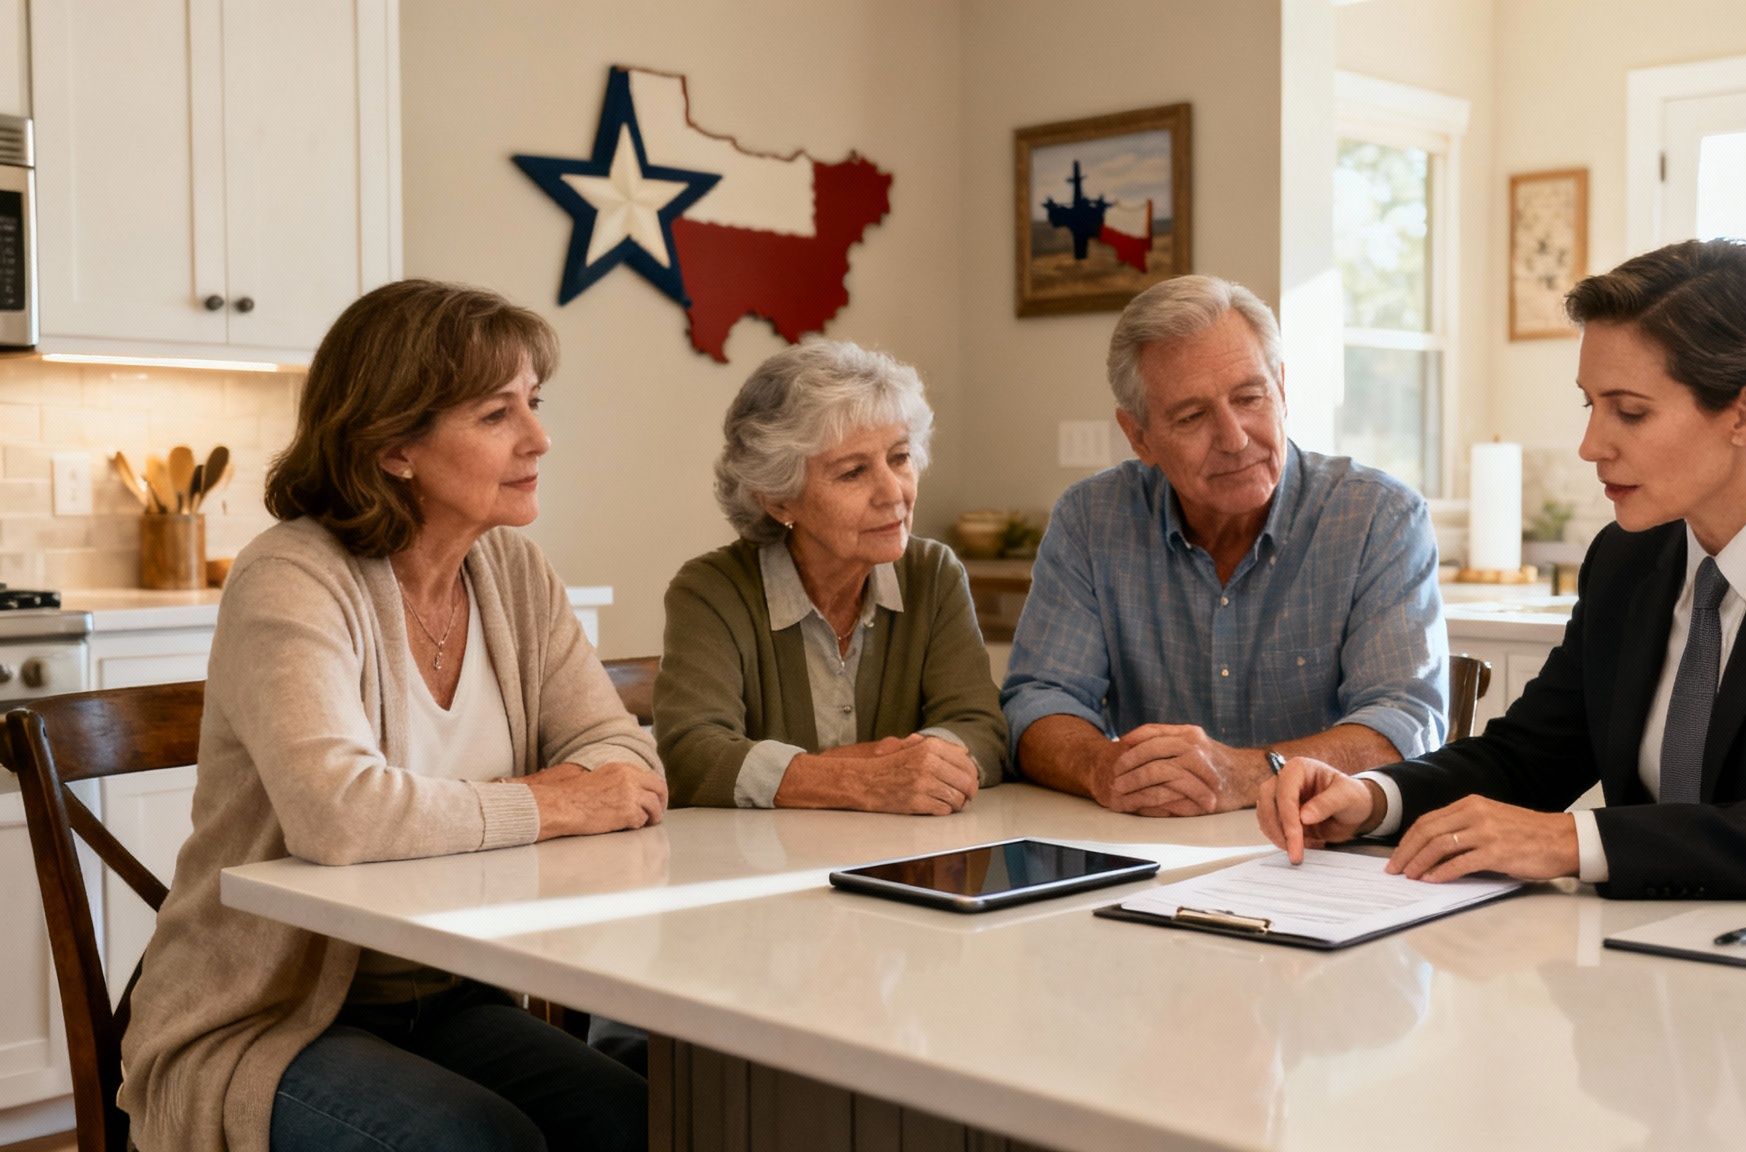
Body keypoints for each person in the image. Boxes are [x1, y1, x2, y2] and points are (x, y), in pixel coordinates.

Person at [1259, 239, 1746, 903]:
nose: (1591, 445)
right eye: (1590, 404)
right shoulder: (1631, 556)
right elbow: (1529, 757)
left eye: (1629, 411)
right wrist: (1372, 798)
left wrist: (1570, 843)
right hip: (1675, 964)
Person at [118, 280, 667, 1152]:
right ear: (394, 447)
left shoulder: (514, 573)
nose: (539, 437)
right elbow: (341, 813)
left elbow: (619, 754)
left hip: (451, 997)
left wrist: (587, 783)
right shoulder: (291, 578)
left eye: (534, 402)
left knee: (642, 1119)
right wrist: (554, 801)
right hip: (266, 1018)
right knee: (478, 1142)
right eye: (497, 415)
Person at [1002, 273, 1446, 818]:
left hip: (1329, 855)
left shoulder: (1379, 517)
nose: (1235, 438)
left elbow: (1404, 721)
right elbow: (1039, 700)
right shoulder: (1091, 520)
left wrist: (1246, 773)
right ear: (1139, 436)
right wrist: (1102, 766)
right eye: (1192, 416)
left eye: (1250, 397)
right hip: (1152, 853)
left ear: (1281, 389)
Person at [657, 338, 1006, 812]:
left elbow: (980, 725)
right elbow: (690, 754)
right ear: (779, 499)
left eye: (900, 458)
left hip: (911, 855)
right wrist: (855, 778)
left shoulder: (933, 574)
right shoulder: (712, 590)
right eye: (852, 473)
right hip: (765, 870)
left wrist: (923, 769)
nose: (893, 492)